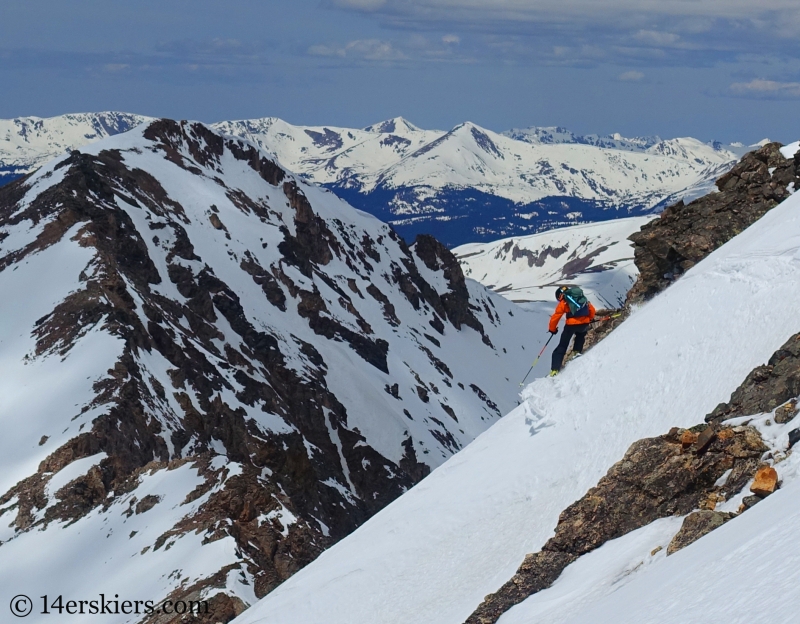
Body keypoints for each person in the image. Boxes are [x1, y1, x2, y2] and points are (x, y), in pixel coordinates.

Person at [548, 286, 596, 376]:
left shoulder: (564, 302)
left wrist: (552, 329)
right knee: (580, 337)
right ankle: (576, 353)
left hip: (571, 325)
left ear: (560, 296)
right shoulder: (581, 297)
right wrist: (589, 319)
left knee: (562, 345)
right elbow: (591, 310)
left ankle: (555, 370)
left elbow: (556, 316)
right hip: (584, 324)